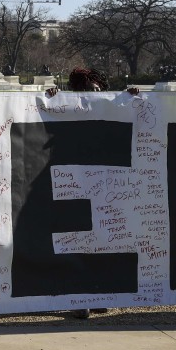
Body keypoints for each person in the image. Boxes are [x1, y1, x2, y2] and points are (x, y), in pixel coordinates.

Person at [47, 67, 138, 318]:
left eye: (96, 90)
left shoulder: (110, 106)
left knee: (103, 239)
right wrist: (50, 97)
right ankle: (79, 297)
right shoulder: (68, 107)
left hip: (105, 185)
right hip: (72, 183)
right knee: (75, 241)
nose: (92, 95)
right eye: (85, 91)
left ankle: (97, 293)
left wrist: (132, 97)